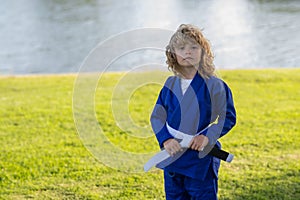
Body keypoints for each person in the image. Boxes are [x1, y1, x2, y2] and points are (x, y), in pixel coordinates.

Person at [150, 24, 236, 199]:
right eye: (181, 48)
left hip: (200, 160)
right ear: (173, 54)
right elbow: (157, 116)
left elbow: (227, 116)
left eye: (193, 47)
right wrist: (165, 139)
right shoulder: (170, 85)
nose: (187, 52)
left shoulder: (214, 85)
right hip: (173, 158)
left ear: (203, 52)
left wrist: (207, 136)